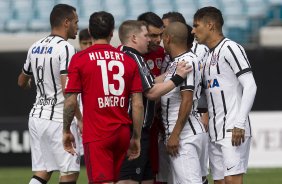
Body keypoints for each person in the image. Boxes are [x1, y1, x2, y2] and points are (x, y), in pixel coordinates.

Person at [62, 11, 144, 184]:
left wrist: (66, 130)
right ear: (112, 32)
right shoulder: (128, 61)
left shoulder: (80, 59)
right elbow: (137, 104)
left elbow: (70, 100)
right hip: (122, 133)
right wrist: (136, 137)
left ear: (90, 32)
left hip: (98, 134)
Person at [117, 20, 191, 184]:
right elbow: (150, 93)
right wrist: (178, 77)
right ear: (134, 38)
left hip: (141, 131)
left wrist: (170, 72)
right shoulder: (133, 57)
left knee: (147, 178)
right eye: (146, 36)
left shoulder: (128, 55)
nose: (150, 40)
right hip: (134, 130)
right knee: (128, 180)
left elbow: (149, 84)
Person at [192, 6, 257, 184]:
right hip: (215, 130)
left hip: (232, 129)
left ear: (210, 25)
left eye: (196, 26)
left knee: (232, 180)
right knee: (219, 181)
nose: (193, 31)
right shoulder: (206, 57)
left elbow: (250, 85)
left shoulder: (231, 48)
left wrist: (240, 123)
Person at [17, 4, 81, 184]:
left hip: (37, 117)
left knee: (42, 172)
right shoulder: (66, 48)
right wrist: (80, 120)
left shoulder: (35, 46)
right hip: (58, 119)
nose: (78, 26)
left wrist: (36, 83)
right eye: (76, 22)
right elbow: (69, 92)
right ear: (66, 22)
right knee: (69, 174)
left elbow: (21, 81)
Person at [160, 12, 209, 184]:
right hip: (188, 132)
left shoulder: (186, 61)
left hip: (184, 136)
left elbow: (187, 100)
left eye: (162, 35)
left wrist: (175, 135)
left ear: (168, 38)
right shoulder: (177, 62)